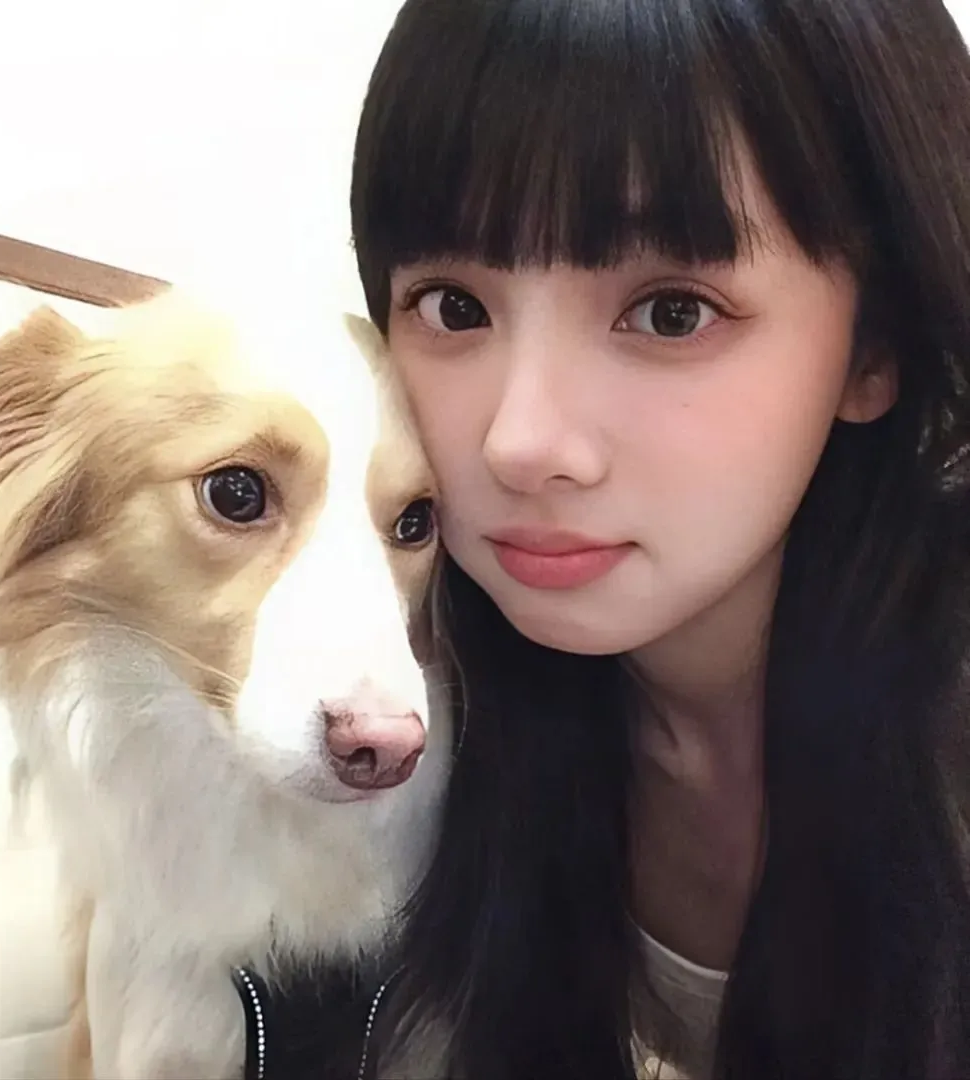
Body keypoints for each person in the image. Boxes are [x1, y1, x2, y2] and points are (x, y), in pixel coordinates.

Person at [348, 1, 970, 1078]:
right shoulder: (420, 703)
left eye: (672, 312)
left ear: (875, 347)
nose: (521, 443)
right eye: (452, 307)